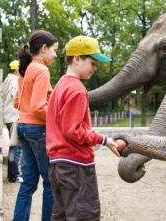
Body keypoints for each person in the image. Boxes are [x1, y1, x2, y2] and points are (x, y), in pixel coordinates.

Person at [46, 36, 120, 221]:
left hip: (57, 165)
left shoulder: (60, 85)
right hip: (76, 165)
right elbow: (73, 131)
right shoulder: (77, 89)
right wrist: (103, 139)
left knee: (61, 215)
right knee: (84, 215)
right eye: (93, 63)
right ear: (77, 58)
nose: (95, 68)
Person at [13, 30, 58, 221]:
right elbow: (38, 107)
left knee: (28, 183)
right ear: (44, 48)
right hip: (38, 130)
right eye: (54, 50)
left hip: (23, 128)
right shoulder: (41, 70)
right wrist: (58, 121)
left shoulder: (26, 69)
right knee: (50, 183)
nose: (55, 55)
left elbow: (17, 103)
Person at [0, 60, 23, 183]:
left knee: (15, 146)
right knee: (16, 147)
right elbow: (18, 99)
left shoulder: (7, 80)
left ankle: (13, 174)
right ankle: (14, 175)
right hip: (14, 117)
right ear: (17, 70)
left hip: (9, 117)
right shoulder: (15, 81)